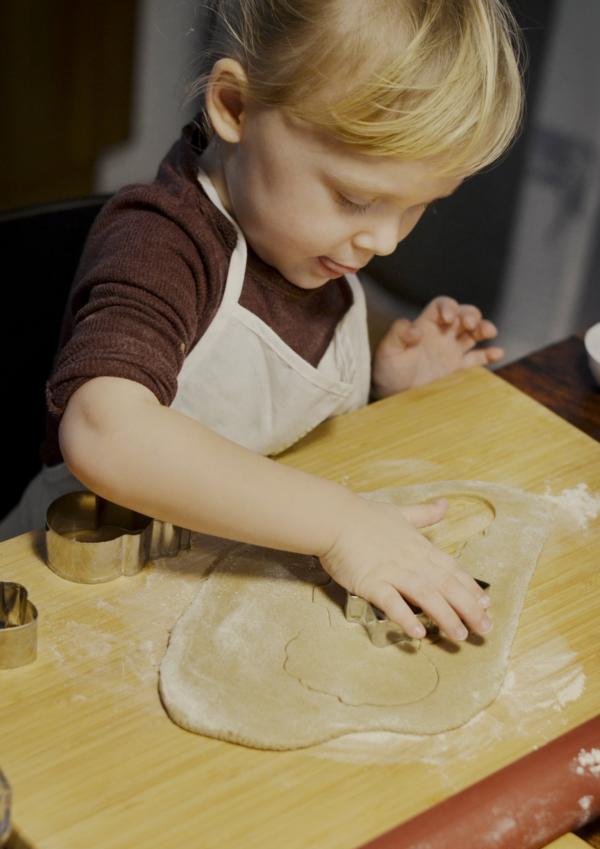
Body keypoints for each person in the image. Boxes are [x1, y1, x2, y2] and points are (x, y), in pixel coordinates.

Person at [1, 0, 524, 643]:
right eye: (357, 197)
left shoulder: (309, 239)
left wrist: (386, 379)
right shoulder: (160, 246)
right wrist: (341, 524)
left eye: (417, 206)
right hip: (78, 586)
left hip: (206, 576)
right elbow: (106, 430)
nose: (385, 240)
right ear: (236, 108)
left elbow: (269, 400)